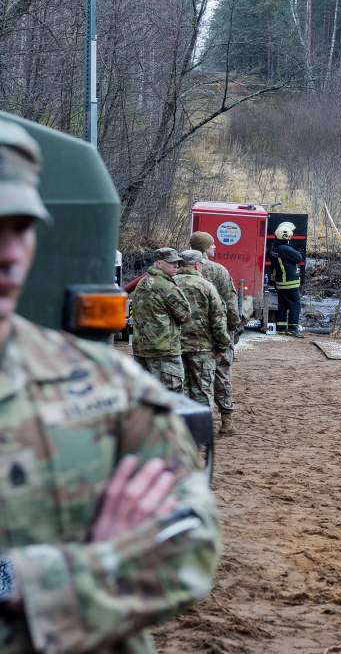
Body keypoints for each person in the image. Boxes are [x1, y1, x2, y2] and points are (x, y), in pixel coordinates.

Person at [0, 119, 220, 651]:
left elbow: (189, 544)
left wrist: (27, 582)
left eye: (23, 228)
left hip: (155, 354)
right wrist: (97, 561)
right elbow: (208, 315)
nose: (9, 253)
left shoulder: (104, 385)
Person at [188, 231, 240, 434]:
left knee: (193, 378)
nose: (215, 247)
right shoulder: (219, 271)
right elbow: (231, 302)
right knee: (221, 375)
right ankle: (227, 421)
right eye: (212, 244)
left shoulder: (180, 270)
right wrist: (234, 326)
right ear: (204, 248)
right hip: (218, 332)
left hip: (190, 335)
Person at [175, 250, 231, 415]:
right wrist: (222, 344)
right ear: (197, 265)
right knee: (202, 391)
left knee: (179, 390)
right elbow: (218, 320)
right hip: (202, 348)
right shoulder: (207, 286)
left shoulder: (170, 283)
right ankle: (202, 433)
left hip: (174, 347)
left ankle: (182, 431)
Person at [129, 248, 191, 392]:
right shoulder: (166, 286)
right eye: (171, 263)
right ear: (158, 263)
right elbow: (185, 315)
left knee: (145, 396)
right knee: (171, 396)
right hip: (164, 351)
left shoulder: (142, 283)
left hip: (142, 348)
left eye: (178, 263)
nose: (176, 266)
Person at [270, 221, 304, 338]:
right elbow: (299, 258)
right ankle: (293, 328)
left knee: (283, 305)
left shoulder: (276, 248)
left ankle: (281, 327)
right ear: (287, 235)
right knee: (295, 305)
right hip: (289, 283)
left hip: (280, 283)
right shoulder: (285, 248)